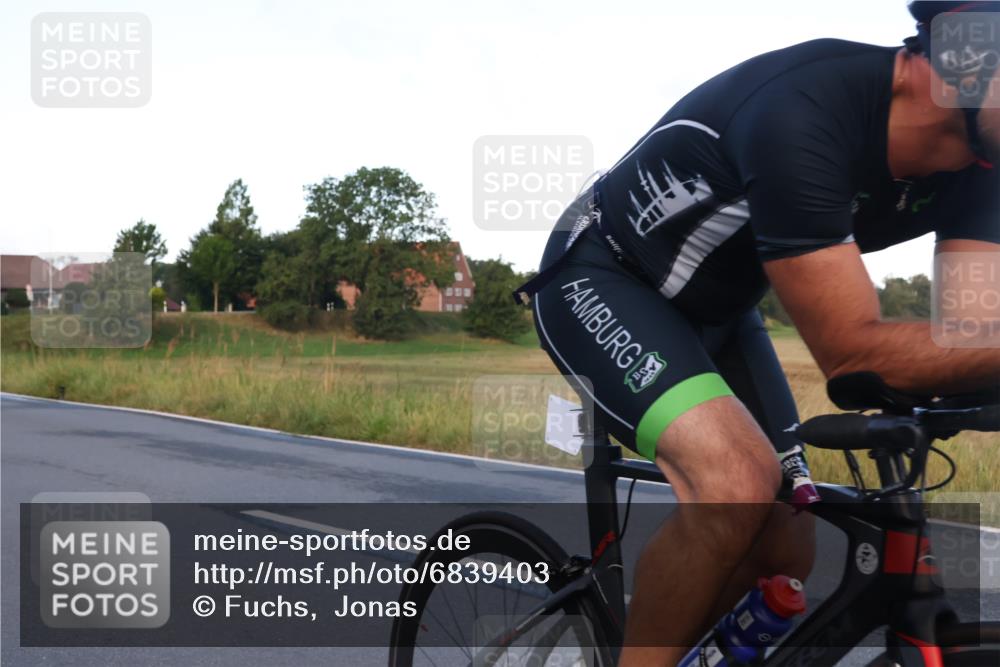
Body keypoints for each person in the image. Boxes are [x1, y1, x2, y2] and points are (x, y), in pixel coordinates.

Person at [516, 2, 1000, 664]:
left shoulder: (983, 167)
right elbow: (852, 351)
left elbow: (972, 338)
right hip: (603, 276)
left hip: (724, 311)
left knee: (786, 540)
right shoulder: (805, 109)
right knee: (737, 481)